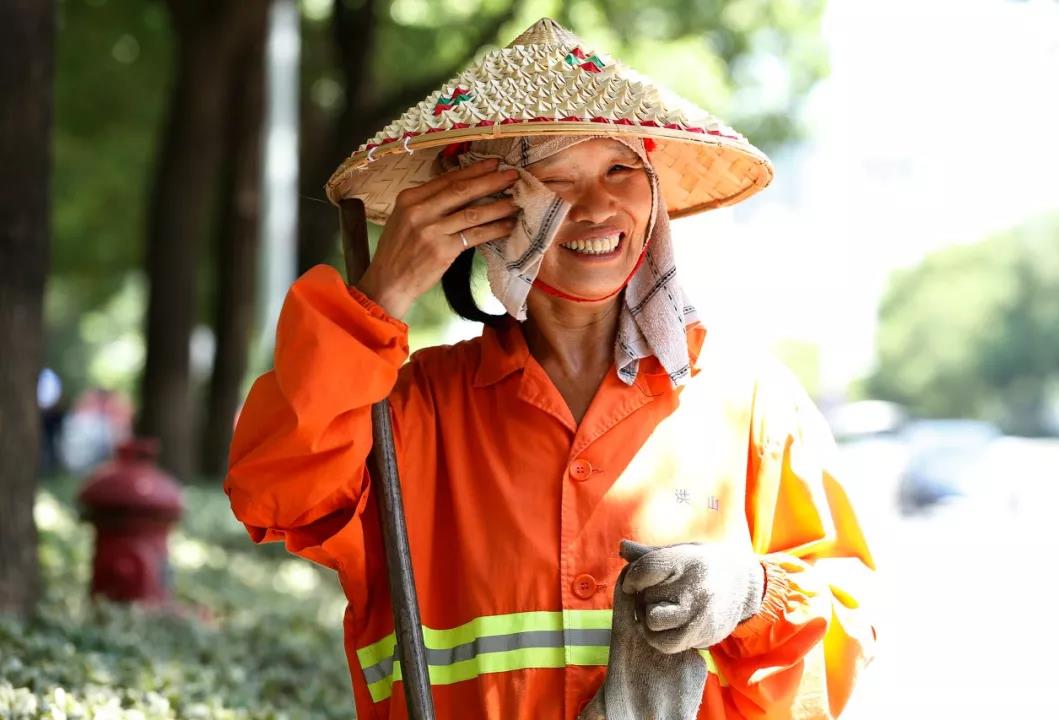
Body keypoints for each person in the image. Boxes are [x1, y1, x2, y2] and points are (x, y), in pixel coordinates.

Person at [225, 18, 875, 720]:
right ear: (481, 212)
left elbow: (845, 629)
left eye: (620, 170)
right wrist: (377, 299)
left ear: (653, 191)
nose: (597, 207)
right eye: (554, 180)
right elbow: (277, 494)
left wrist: (754, 596)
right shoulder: (407, 412)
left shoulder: (752, 403)